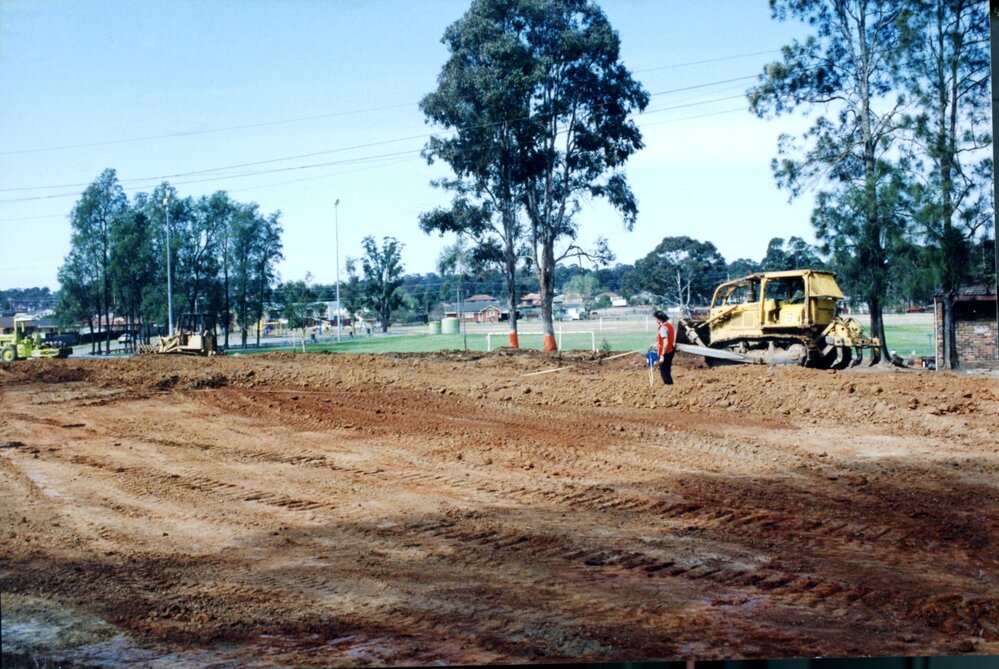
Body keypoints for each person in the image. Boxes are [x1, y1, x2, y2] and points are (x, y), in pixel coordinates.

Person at [653, 310, 675, 385]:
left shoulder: (663, 328)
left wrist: (662, 355)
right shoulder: (669, 325)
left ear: (659, 319)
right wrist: (656, 343)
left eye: (656, 319)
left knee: (664, 372)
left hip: (665, 353)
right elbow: (667, 339)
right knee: (667, 371)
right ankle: (670, 387)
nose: (655, 320)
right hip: (670, 351)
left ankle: (669, 387)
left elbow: (666, 342)